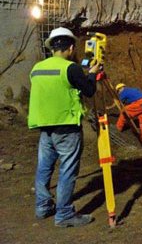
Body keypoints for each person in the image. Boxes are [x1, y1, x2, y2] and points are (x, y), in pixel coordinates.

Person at [28, 27, 100, 227]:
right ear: (70, 47)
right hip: (66, 128)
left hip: (45, 128)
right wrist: (92, 74)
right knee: (67, 170)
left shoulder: (37, 68)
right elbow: (89, 90)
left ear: (52, 48)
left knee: (44, 169)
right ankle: (64, 215)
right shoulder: (71, 68)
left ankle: (42, 207)